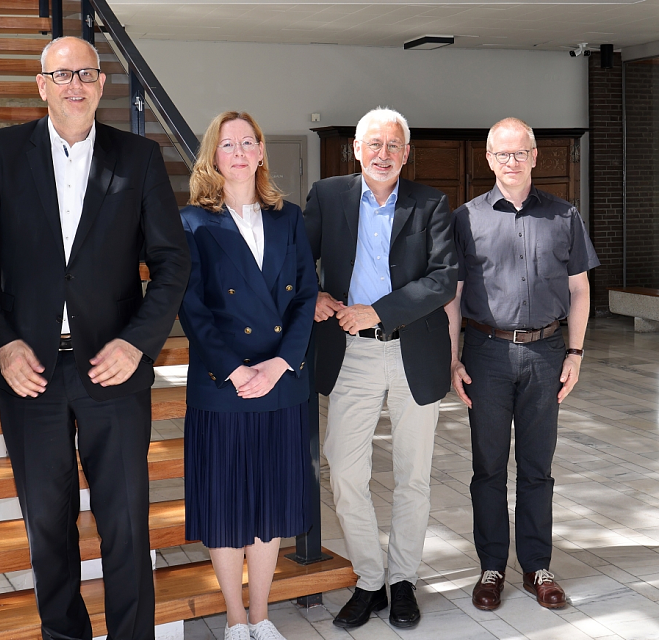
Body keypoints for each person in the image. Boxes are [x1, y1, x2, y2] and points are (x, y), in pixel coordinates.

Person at [0, 36, 190, 640]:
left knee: (126, 522)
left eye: (86, 74)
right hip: (28, 370)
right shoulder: (2, 152)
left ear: (101, 84)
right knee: (48, 523)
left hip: (113, 368)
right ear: (42, 85)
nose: (75, 85)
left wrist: (137, 342)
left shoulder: (138, 157)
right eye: (61, 76)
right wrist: (2, 344)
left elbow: (172, 262)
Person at [303, 107, 457, 630]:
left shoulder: (431, 202)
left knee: (413, 477)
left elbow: (443, 280)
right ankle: (370, 581)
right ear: (356, 148)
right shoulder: (327, 196)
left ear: (405, 153)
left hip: (415, 350)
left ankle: (403, 580)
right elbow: (298, 259)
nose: (383, 154)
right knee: (345, 473)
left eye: (393, 145)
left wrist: (381, 310)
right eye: (374, 144)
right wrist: (315, 294)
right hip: (351, 353)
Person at [446, 117, 599, 612]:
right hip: (486, 355)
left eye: (519, 153)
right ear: (488, 159)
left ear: (535, 156)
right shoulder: (465, 218)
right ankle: (491, 567)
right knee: (488, 468)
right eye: (500, 154)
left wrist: (575, 353)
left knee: (537, 468)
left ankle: (537, 567)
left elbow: (579, 289)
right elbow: (454, 295)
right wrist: (452, 360)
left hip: (546, 354)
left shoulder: (564, 215)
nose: (510, 163)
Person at [179, 111, 318, 640]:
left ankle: (262, 617)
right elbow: (192, 308)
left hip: (281, 382)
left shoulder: (289, 218)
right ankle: (236, 621)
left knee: (271, 500)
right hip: (223, 385)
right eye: (227, 144)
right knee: (226, 503)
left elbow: (306, 295)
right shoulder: (192, 222)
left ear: (261, 152)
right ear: (213, 156)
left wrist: (281, 363)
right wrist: (237, 371)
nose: (238, 152)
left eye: (248, 143)